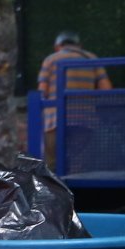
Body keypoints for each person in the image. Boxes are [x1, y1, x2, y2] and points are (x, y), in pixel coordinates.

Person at [36, 30, 111, 163]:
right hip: (85, 120)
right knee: (77, 164)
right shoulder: (91, 59)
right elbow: (106, 89)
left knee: (53, 164)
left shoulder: (51, 59)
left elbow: (42, 92)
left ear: (58, 46)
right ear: (79, 45)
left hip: (55, 121)